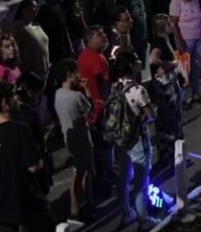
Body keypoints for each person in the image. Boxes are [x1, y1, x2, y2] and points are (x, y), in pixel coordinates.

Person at [0, 82, 54, 232]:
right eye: (13, 98)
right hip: (22, 202)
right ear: (4, 103)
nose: (16, 101)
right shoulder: (20, 130)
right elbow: (33, 167)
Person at [109, 52, 157, 231]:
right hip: (137, 139)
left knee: (123, 178)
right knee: (141, 180)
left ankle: (126, 212)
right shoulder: (138, 90)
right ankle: (143, 220)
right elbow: (151, 116)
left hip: (120, 140)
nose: (139, 62)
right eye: (136, 60)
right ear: (131, 66)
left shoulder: (115, 87)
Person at [54, 59, 94, 224]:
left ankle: (78, 207)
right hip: (81, 138)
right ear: (69, 74)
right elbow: (90, 109)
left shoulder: (58, 94)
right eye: (77, 72)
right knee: (82, 173)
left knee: (78, 172)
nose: (80, 76)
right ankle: (79, 208)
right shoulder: (77, 96)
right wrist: (87, 89)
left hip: (68, 137)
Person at [76, 25, 112, 197]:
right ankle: (104, 181)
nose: (104, 36)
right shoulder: (98, 59)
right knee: (104, 147)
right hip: (99, 109)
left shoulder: (83, 56)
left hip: (90, 110)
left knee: (97, 147)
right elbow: (103, 85)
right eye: (100, 35)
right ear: (89, 40)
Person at [148, 14, 185, 174]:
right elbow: (152, 60)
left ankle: (172, 155)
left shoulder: (165, 40)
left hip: (169, 84)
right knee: (171, 119)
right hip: (165, 87)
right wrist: (169, 64)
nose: (172, 25)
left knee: (170, 119)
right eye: (170, 23)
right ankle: (172, 155)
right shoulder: (159, 42)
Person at [169, 0, 201, 106]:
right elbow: (174, 22)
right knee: (184, 68)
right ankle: (182, 98)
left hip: (198, 35)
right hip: (185, 38)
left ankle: (196, 93)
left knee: (196, 66)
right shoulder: (176, 0)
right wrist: (178, 41)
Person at [11, 0, 50, 78]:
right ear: (23, 10)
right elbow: (15, 49)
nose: (36, 9)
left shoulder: (36, 25)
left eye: (37, 7)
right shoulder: (19, 26)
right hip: (33, 73)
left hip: (45, 69)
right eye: (32, 7)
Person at [118, 0, 148, 72]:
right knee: (133, 68)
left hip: (142, 37)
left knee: (141, 66)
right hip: (133, 40)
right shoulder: (124, 0)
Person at [37, 0, 73, 66]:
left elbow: (65, 31)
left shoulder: (61, 10)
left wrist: (70, 49)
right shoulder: (42, 15)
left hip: (64, 53)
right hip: (53, 56)